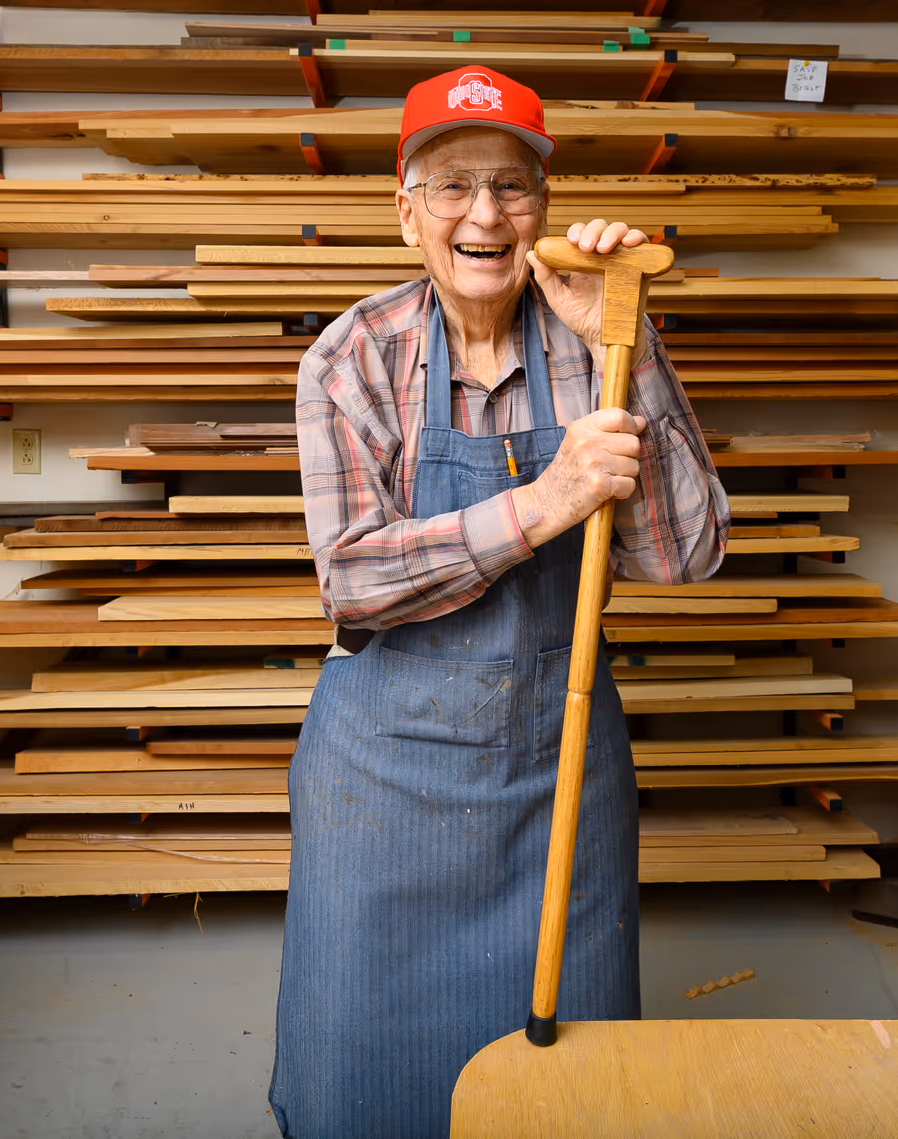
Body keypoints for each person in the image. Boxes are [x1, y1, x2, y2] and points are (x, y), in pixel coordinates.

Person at [270, 65, 729, 1137]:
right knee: (361, 1066)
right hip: (384, 770)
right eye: (453, 186)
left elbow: (687, 556)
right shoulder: (354, 356)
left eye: (514, 187)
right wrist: (545, 502)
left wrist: (629, 341)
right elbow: (354, 576)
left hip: (552, 754)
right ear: (406, 212)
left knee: (567, 1077)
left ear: (545, 210)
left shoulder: (595, 344)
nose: (485, 214)